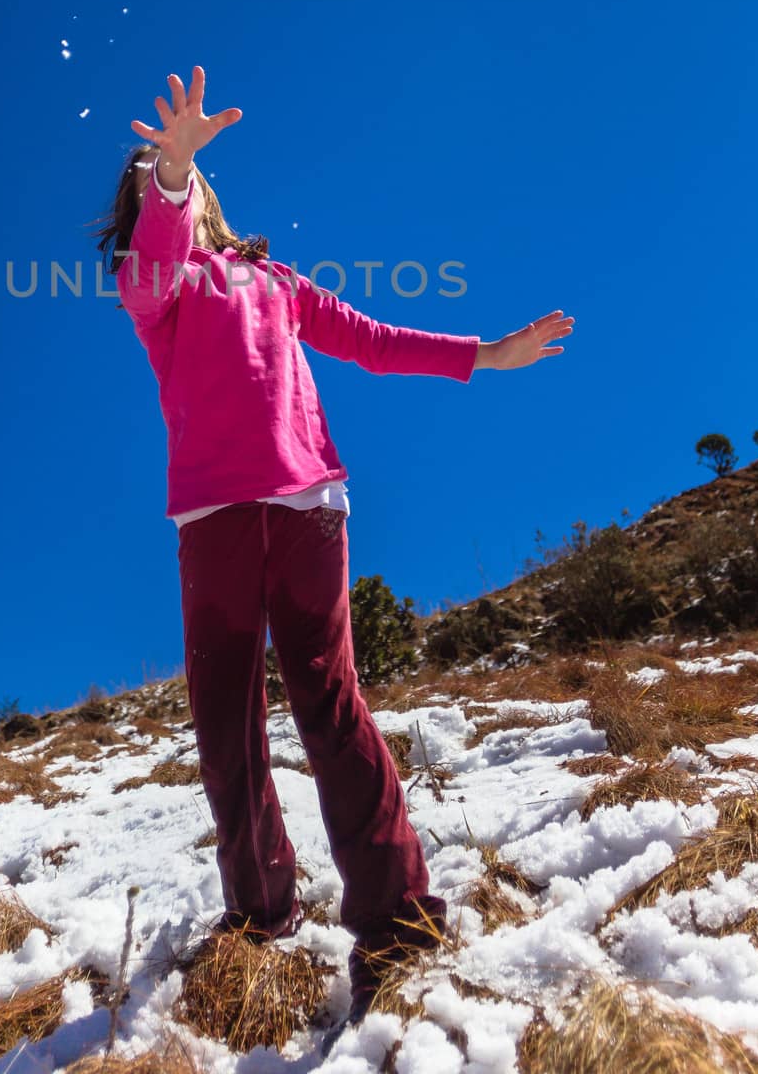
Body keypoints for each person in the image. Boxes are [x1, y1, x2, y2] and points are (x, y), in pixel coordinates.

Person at [93, 65, 574, 1025]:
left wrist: (482, 354)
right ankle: (259, 912)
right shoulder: (157, 286)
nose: (173, 178)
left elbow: (371, 337)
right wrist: (170, 179)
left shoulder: (276, 282)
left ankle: (397, 922)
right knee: (223, 721)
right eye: (152, 173)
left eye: (182, 171)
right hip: (213, 522)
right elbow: (151, 260)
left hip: (309, 506)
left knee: (331, 701)